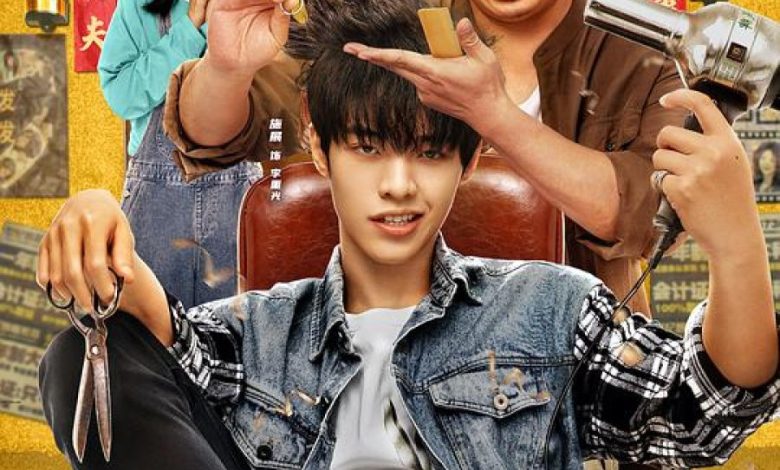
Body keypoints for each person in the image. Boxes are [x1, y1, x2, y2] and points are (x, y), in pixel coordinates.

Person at [38, 2, 778, 468]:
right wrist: (97, 217)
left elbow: (704, 413)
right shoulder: (260, 334)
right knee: (76, 357)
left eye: (427, 153)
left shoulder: (551, 312)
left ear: (468, 160)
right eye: (367, 149)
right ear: (319, 147)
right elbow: (148, 341)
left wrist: (738, 242)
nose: (398, 184)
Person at [164, 0, 686, 315]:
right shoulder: (390, 17)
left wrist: (494, 116)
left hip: (571, 371)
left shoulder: (652, 45)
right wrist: (227, 69)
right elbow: (218, 132)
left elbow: (647, 215)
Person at [99, 0, 263, 308]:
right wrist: (189, 29)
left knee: (240, 331)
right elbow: (120, 94)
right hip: (156, 206)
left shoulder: (254, 4)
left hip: (236, 200)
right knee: (149, 330)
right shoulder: (139, 7)